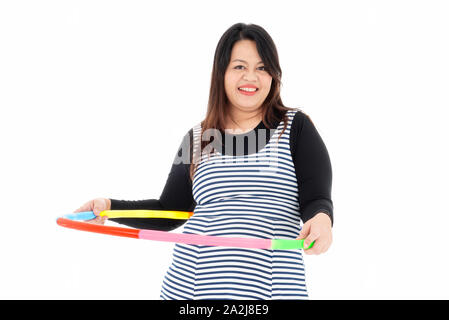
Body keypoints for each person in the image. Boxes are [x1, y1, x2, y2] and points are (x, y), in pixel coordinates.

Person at [73, 23, 333, 300]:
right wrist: (110, 208)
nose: (251, 77)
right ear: (221, 73)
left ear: (274, 75)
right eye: (239, 67)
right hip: (191, 288)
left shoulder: (296, 127)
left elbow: (316, 197)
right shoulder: (196, 138)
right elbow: (170, 209)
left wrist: (321, 220)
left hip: (271, 289)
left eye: (262, 67)